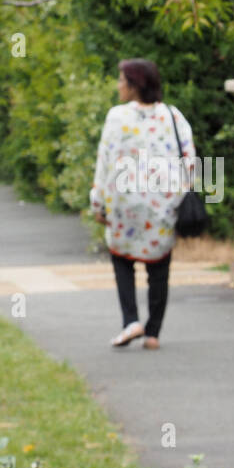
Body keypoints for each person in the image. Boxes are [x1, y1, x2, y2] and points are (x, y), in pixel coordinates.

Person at [89, 59, 196, 349]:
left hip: (124, 207)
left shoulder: (116, 117)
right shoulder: (174, 116)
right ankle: (152, 333)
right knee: (159, 268)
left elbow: (105, 163)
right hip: (163, 206)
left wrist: (97, 203)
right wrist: (181, 194)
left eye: (122, 80)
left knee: (122, 260)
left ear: (135, 85)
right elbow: (190, 160)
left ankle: (130, 321)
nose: (119, 85)